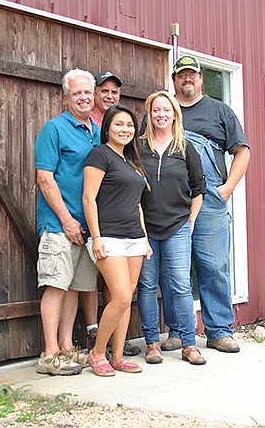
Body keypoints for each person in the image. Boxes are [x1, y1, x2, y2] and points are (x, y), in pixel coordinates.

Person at [162, 55, 251, 354]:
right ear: (174, 80)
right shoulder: (165, 111)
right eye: (181, 75)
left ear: (201, 79)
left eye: (192, 75)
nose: (187, 79)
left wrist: (226, 189)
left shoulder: (220, 111)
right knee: (175, 268)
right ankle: (178, 330)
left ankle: (219, 330)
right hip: (172, 201)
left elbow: (243, 152)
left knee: (214, 266)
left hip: (211, 198)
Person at [34, 68, 98, 375]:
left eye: (88, 92)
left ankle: (66, 347)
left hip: (87, 229)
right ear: (65, 97)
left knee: (75, 287)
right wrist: (66, 219)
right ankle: (49, 354)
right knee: (56, 286)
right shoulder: (54, 129)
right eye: (77, 93)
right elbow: (45, 179)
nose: (84, 97)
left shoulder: (98, 130)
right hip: (60, 226)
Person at [138, 91, 207, 366]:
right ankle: (152, 343)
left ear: (174, 114)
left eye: (166, 110)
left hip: (178, 226)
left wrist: (191, 218)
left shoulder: (185, 147)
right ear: (150, 113)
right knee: (146, 286)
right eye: (156, 110)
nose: (161, 115)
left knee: (180, 285)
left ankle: (189, 345)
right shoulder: (139, 146)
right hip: (145, 228)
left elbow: (198, 187)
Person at [82, 104, 151, 377]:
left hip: (134, 237)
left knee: (126, 299)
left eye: (130, 125)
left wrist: (144, 238)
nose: (126, 129)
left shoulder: (132, 161)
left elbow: (137, 204)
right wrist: (95, 236)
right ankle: (98, 353)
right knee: (121, 296)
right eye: (119, 124)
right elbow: (89, 198)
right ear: (108, 128)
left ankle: (119, 356)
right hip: (108, 236)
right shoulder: (99, 155)